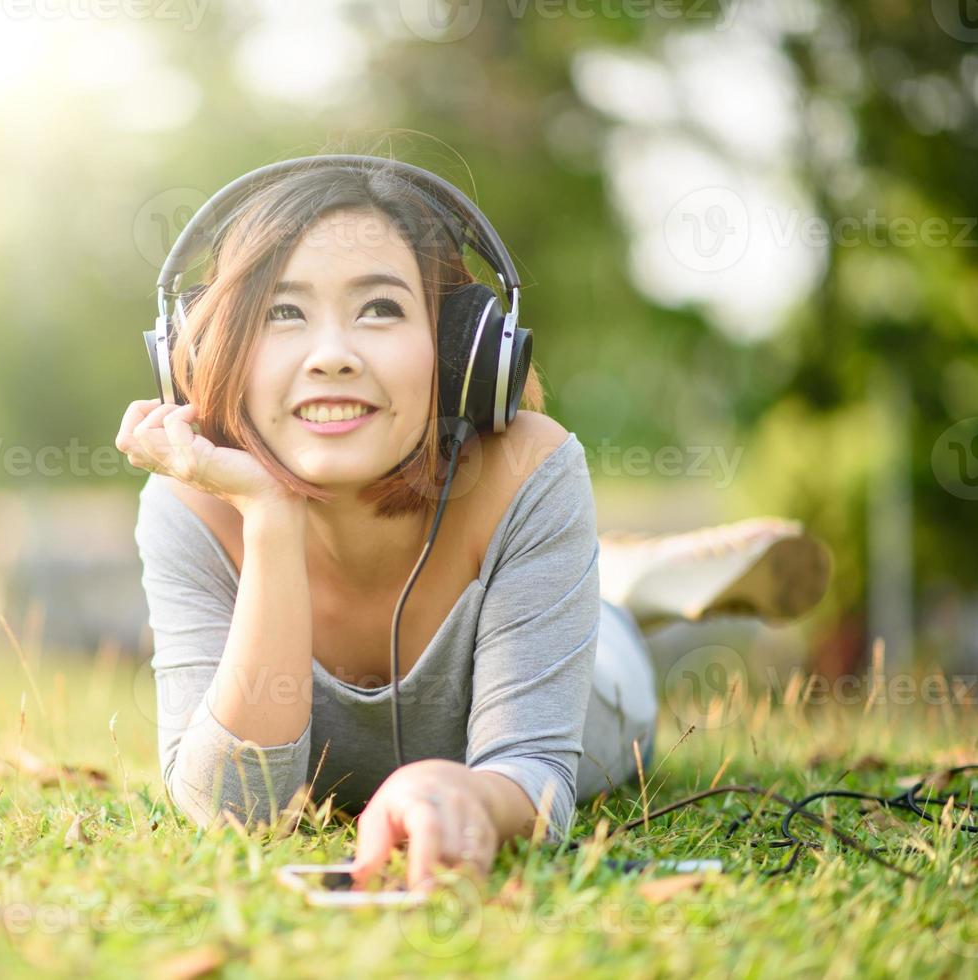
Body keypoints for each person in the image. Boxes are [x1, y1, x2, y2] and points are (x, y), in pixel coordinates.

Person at [115, 159, 830, 892]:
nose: (331, 356)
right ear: (207, 353)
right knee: (562, 583)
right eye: (283, 312)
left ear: (461, 350)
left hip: (602, 686)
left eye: (380, 309)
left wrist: (472, 798)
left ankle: (610, 593)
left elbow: (536, 769)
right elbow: (234, 810)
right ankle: (609, 572)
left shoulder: (526, 470)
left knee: (607, 647)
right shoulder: (192, 502)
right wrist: (269, 516)